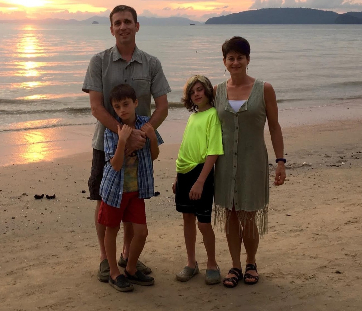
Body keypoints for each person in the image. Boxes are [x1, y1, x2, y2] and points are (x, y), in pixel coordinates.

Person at [82, 5, 171, 283]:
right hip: (106, 143)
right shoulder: (99, 62)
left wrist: (142, 134)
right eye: (118, 23)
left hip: (141, 145)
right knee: (104, 200)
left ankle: (126, 254)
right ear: (111, 29)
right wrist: (124, 133)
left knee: (133, 199)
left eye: (128, 21)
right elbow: (96, 107)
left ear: (137, 26)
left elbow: (163, 106)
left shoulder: (151, 63)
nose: (123, 27)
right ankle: (104, 258)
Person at [214, 36, 286, 288]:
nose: (235, 62)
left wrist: (280, 161)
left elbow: (274, 127)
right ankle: (235, 265)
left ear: (248, 60)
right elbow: (206, 128)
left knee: (248, 216)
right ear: (224, 61)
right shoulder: (217, 91)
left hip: (253, 161)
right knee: (231, 215)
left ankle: (251, 263)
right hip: (224, 163)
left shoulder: (264, 89)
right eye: (231, 58)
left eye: (240, 58)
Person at [99, 84, 162, 292]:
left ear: (135, 103)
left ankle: (131, 268)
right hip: (114, 190)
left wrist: (152, 137)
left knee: (141, 232)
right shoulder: (112, 130)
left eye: (125, 104)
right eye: (117, 107)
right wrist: (122, 141)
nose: (122, 110)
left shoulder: (145, 124)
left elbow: (154, 155)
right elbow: (115, 165)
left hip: (136, 189)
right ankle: (114, 272)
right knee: (112, 229)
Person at [173, 75, 224, 285]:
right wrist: (177, 177)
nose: (196, 94)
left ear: (208, 91)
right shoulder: (192, 117)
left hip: (201, 173)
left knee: (203, 222)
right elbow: (185, 147)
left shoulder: (213, 115)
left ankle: (212, 264)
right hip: (184, 172)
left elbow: (214, 150)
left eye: (200, 89)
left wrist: (201, 181)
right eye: (193, 91)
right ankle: (191, 263)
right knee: (187, 219)